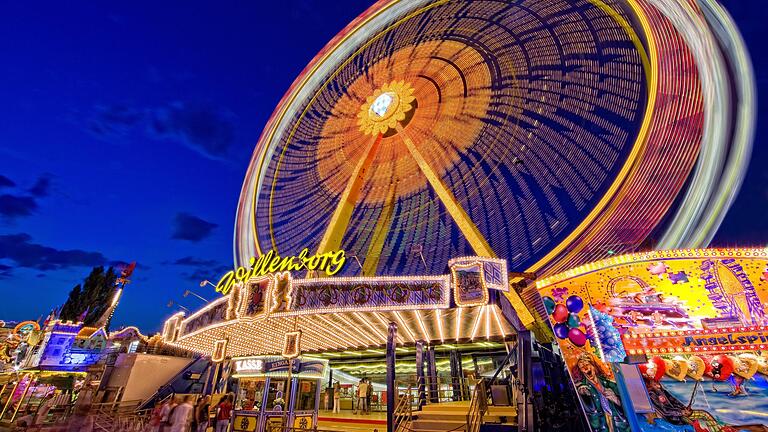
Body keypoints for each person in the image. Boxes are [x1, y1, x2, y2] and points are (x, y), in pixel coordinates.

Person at [571, 353, 630, 432]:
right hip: (602, 427)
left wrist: (616, 399)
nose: (585, 368)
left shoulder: (610, 383)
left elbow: (629, 407)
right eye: (582, 367)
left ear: (593, 366)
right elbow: (590, 417)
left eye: (587, 364)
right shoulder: (582, 388)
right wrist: (585, 397)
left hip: (620, 426)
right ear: (580, 371)